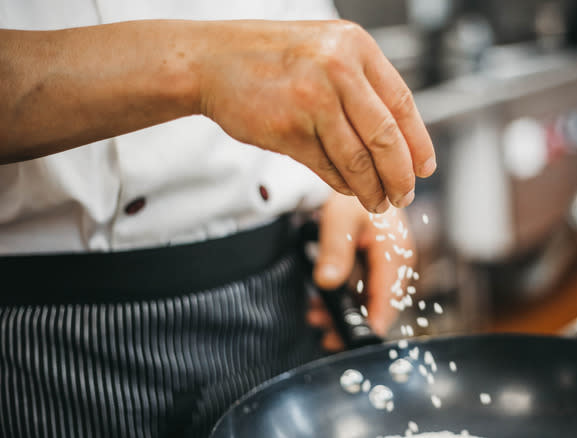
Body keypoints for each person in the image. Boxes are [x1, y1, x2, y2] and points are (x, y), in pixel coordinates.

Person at [0, 1, 436, 437]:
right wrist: (200, 66)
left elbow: (297, 30)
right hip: (41, 343)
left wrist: (339, 186)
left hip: (281, 302)